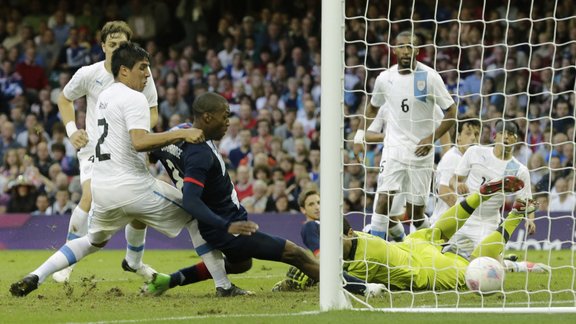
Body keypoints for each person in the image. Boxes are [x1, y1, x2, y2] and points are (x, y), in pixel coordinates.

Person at [9, 42, 227, 298]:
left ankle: (37, 275)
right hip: (132, 186)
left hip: (103, 189)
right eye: (143, 68)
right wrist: (181, 134)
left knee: (93, 241)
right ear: (124, 70)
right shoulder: (134, 98)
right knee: (193, 214)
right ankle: (224, 285)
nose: (147, 74)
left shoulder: (105, 96)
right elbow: (139, 141)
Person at [141, 92, 321, 296]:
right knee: (295, 253)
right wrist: (226, 225)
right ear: (208, 117)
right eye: (224, 116)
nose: (228, 122)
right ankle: (350, 285)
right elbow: (191, 200)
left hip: (220, 222)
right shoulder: (199, 152)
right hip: (229, 227)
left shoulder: (175, 134)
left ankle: (172, 279)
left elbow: (151, 152)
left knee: (241, 264)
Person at [53, 21, 158, 283]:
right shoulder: (89, 74)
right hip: (94, 149)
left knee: (139, 208)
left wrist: (136, 130)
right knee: (89, 196)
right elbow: (64, 99)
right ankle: (67, 261)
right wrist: (71, 130)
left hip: (128, 149)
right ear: (103, 47)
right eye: (111, 45)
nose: (116, 49)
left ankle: (133, 261)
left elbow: (153, 111)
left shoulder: (141, 74)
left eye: (122, 45)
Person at [343, 176, 534, 290]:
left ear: (350, 233)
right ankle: (479, 195)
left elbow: (345, 282)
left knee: (474, 267)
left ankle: (516, 215)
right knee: (439, 231)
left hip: (426, 269)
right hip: (411, 244)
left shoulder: (361, 263)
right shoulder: (361, 236)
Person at [357, 30, 456, 241]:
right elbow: (372, 108)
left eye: (410, 46)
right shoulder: (384, 78)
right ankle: (375, 254)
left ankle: (431, 246)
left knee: (415, 213)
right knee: (382, 199)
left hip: (421, 153)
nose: (405, 50)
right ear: (394, 49)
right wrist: (358, 136)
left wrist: (432, 138)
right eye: (401, 46)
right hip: (394, 150)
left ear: (417, 50)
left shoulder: (429, 77)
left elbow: (452, 112)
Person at [447, 120, 535, 261]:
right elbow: (453, 179)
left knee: (487, 266)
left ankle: (512, 265)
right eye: (502, 133)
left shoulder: (519, 169)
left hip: (487, 222)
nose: (506, 137)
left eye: (511, 134)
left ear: (516, 139)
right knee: (442, 258)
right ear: (495, 136)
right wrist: (457, 185)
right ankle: (511, 263)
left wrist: (530, 220)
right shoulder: (475, 152)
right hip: (462, 216)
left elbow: (526, 200)